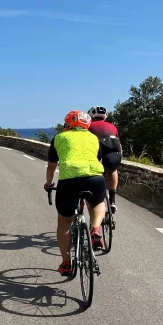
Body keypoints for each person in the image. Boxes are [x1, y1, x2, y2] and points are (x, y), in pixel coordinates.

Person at [44, 110, 107, 276]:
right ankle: (95, 228)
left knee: (64, 221)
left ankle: (66, 263)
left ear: (68, 124)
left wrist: (49, 184)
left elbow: (51, 166)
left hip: (69, 181)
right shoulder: (93, 138)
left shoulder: (59, 138)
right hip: (95, 178)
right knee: (99, 203)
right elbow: (98, 159)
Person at [87, 105, 122, 213]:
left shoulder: (88, 126)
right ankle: (112, 201)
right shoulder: (113, 127)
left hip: (96, 157)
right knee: (113, 170)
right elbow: (119, 146)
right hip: (112, 157)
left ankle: (95, 203)